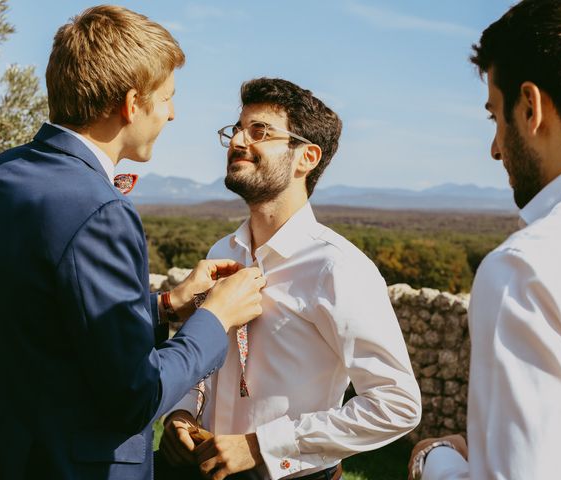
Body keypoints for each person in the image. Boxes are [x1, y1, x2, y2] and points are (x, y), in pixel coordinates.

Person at [0, 6, 265, 480]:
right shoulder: (102, 211)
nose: (172, 112)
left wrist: (164, 305)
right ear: (131, 104)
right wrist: (216, 317)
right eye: (167, 98)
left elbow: (41, 321)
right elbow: (133, 395)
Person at [158, 77, 421, 480]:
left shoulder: (337, 268)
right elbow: (207, 364)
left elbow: (398, 402)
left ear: (306, 157)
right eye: (237, 129)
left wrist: (262, 447)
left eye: (259, 130)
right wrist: (180, 411)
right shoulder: (221, 254)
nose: (238, 141)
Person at [408, 0, 561, 478]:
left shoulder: (525, 269)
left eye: (496, 115)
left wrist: (435, 461)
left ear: (531, 107)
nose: (496, 147)